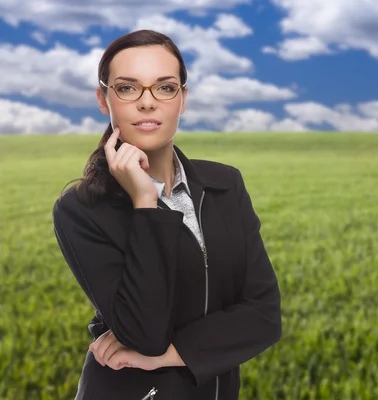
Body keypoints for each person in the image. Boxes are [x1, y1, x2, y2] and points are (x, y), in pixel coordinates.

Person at [51, 29, 282, 400]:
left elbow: (265, 316)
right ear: (103, 98)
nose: (147, 103)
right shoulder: (80, 209)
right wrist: (145, 201)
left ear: (183, 98)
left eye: (165, 87)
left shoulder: (225, 184)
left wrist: (166, 357)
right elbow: (144, 333)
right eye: (127, 88)